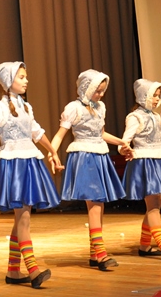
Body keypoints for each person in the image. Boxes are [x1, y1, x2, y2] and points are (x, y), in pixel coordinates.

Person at [0, 62, 62, 288]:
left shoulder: (26, 106)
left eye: (26, 77)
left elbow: (36, 132)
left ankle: (13, 270)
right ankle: (33, 269)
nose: (26, 81)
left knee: (21, 218)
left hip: (28, 162)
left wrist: (53, 151)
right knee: (24, 216)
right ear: (9, 81)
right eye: (21, 77)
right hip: (14, 165)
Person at [51, 69, 129, 271]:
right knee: (94, 201)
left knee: (99, 203)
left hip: (99, 154)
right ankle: (100, 252)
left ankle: (95, 253)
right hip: (84, 156)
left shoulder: (100, 107)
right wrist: (52, 153)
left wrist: (121, 142)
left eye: (102, 91)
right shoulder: (74, 108)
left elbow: (101, 134)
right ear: (86, 88)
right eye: (97, 91)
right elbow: (60, 134)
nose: (100, 95)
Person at [121, 79, 161, 260]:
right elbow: (125, 139)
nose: (156, 99)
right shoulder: (135, 117)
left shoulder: (156, 116)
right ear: (143, 96)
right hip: (144, 162)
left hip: (158, 160)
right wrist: (124, 149)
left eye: (158, 96)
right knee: (153, 204)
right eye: (153, 96)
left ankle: (144, 245)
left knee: (155, 203)